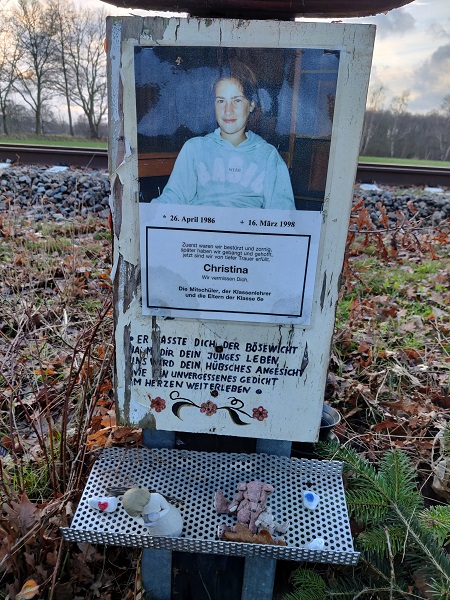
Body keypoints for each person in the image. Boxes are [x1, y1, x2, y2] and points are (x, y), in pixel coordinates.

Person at [151, 67, 295, 209]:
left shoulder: (268, 156)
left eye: (237, 101)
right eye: (221, 101)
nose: (228, 110)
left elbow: (283, 213)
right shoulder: (194, 149)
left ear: (251, 105)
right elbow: (173, 198)